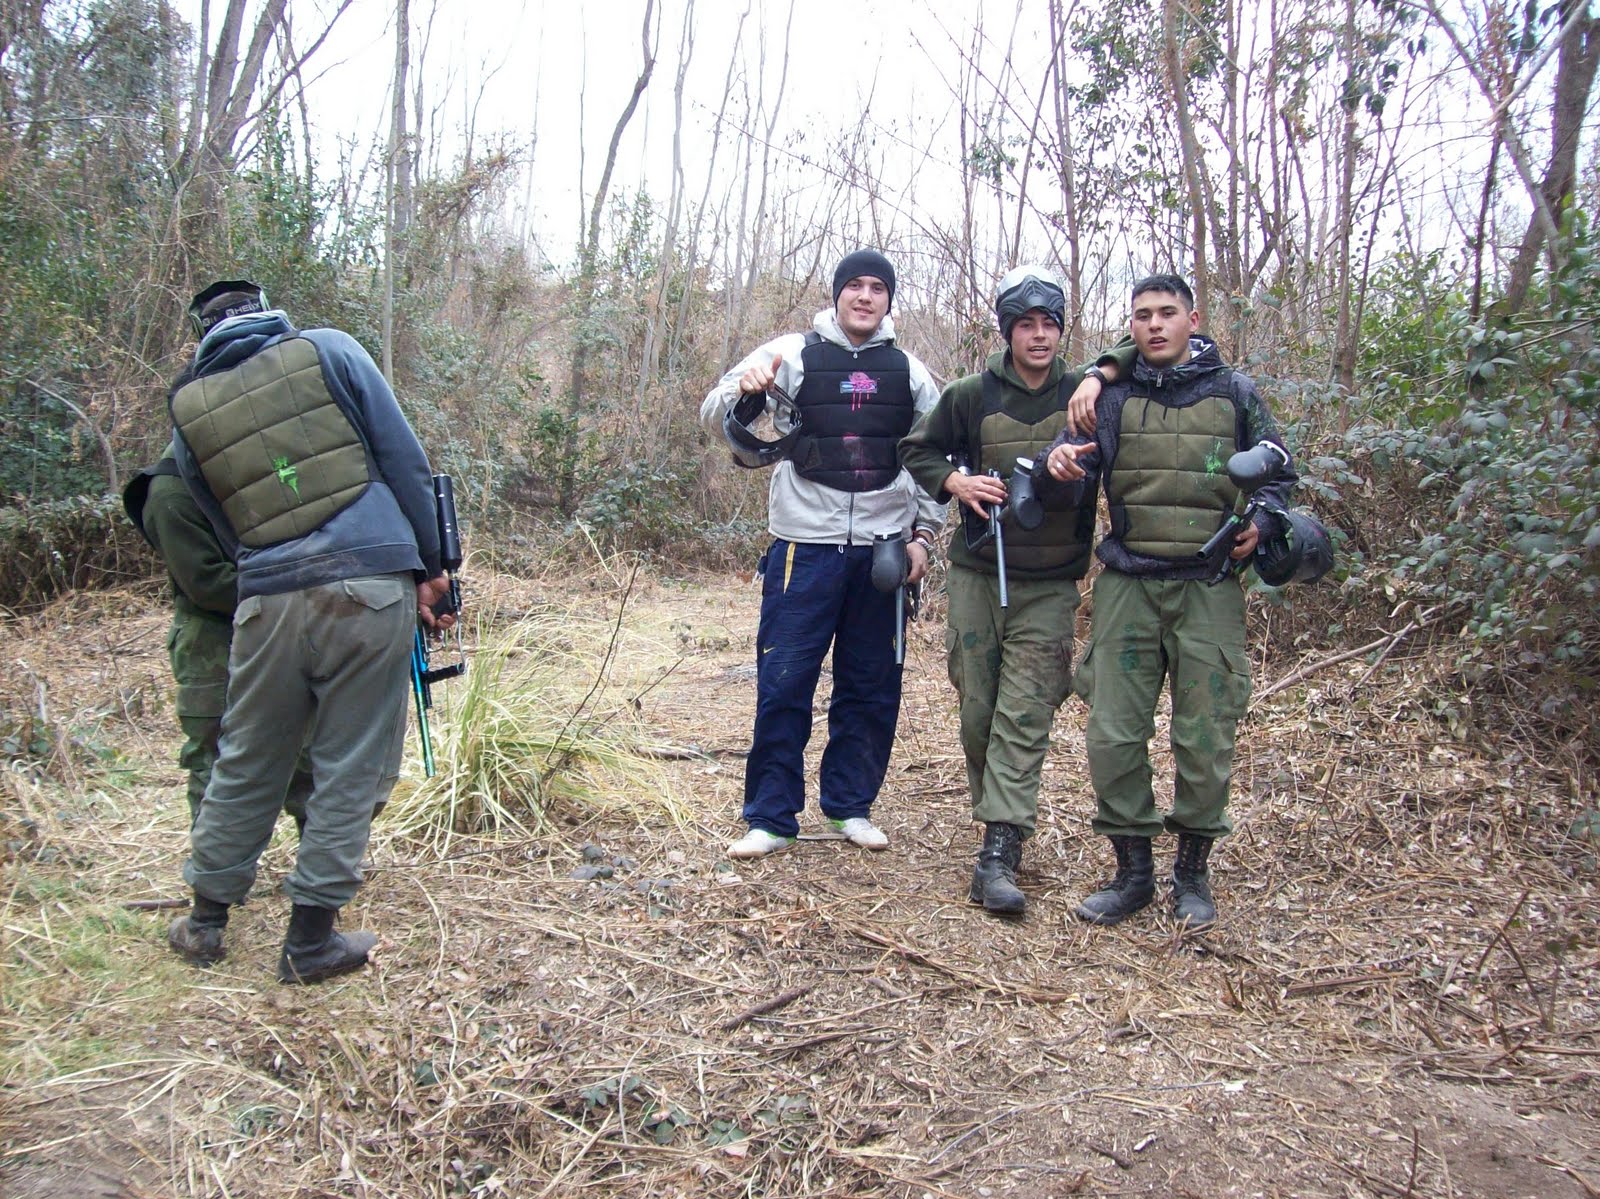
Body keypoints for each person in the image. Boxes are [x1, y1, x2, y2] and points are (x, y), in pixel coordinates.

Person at [163, 279, 455, 983]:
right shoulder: (329, 350)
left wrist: (269, 569)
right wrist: (436, 565)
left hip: (263, 599)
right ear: (266, 309)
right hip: (368, 580)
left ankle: (205, 922)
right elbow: (404, 459)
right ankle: (310, 940)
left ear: (202, 333)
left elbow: (214, 513)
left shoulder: (187, 407)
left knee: (247, 755)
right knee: (351, 759)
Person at [1045, 273, 1297, 928]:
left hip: (1208, 588)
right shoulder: (1111, 395)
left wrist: (1262, 525)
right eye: (1141, 315)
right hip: (1129, 583)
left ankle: (1192, 871)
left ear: (1193, 317)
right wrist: (1061, 468)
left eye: (1166, 312)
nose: (1153, 324)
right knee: (1111, 730)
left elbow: (1280, 473)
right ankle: (1133, 870)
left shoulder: (1235, 393)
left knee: (1206, 733)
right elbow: (1069, 464)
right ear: (1130, 327)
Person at [898, 266, 1133, 917]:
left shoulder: (1087, 396)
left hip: (1052, 583)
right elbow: (916, 449)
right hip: (979, 576)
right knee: (979, 714)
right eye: (1025, 324)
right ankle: (997, 822)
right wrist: (957, 484)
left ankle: (999, 851)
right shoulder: (972, 394)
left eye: (1049, 324)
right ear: (1007, 330)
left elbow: (1148, 355)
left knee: (1023, 716)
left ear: (1061, 330)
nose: (1038, 335)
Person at [701, 250, 945, 859]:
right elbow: (714, 413)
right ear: (836, 294)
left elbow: (938, 459)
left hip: (883, 556)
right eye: (854, 287)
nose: (864, 297)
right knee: (784, 682)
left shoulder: (911, 373)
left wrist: (923, 537)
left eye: (876, 288)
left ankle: (850, 806)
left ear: (889, 299)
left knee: (871, 686)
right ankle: (770, 817)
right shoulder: (792, 353)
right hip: (802, 550)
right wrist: (748, 391)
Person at [121, 415, 313, 833]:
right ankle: (217, 880)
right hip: (212, 638)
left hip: (276, 624)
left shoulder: (254, 464)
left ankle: (321, 862)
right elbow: (207, 584)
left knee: (303, 746)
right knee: (215, 756)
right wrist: (296, 585)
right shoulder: (170, 492)